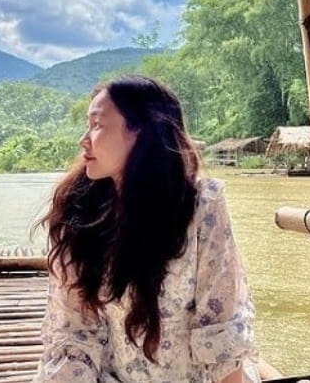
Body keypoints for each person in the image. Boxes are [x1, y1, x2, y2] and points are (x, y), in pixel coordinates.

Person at [34, 75, 259, 382]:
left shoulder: (202, 206)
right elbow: (75, 335)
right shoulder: (80, 212)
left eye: (97, 125)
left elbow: (219, 329)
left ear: (140, 132)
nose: (84, 139)